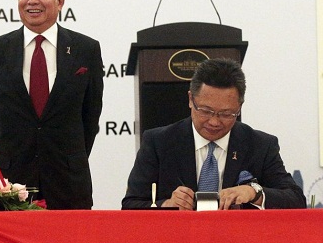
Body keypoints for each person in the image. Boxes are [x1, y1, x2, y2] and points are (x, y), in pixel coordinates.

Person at [0, 0, 104, 209]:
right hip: (10, 184)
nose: (32, 1)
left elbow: (90, 118)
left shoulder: (85, 49)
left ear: (60, 2)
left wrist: (67, 158)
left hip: (68, 183)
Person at [122, 58, 305, 210]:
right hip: (178, 240)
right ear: (190, 100)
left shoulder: (260, 145)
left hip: (237, 240)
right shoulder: (159, 142)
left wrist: (255, 193)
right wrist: (166, 205)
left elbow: (296, 199)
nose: (214, 122)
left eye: (226, 114)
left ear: (239, 107)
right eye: (206, 111)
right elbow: (130, 205)